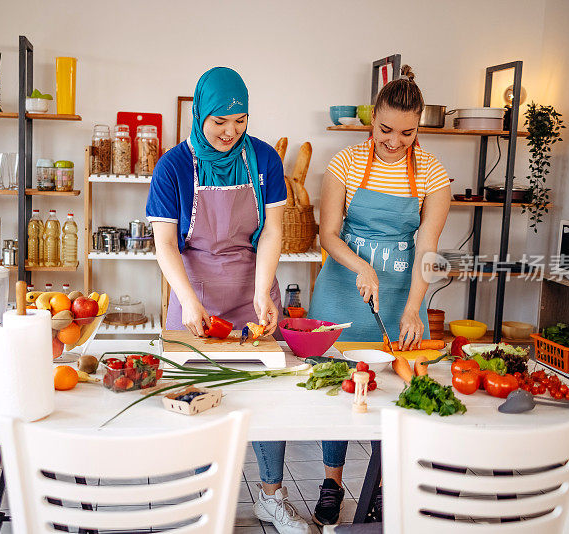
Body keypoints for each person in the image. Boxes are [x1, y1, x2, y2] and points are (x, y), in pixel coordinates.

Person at [146, 67, 310, 533]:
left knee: (267, 398)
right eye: (220, 120)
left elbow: (273, 231)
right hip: (193, 291)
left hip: (251, 287)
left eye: (239, 120)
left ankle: (271, 497)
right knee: (198, 399)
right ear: (201, 114)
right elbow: (165, 245)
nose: (230, 131)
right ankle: (201, 501)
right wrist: (190, 300)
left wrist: (262, 289)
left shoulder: (262, 160)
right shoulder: (173, 166)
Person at [306, 65, 451, 525]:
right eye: (386, 129)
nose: (394, 140)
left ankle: (385, 484)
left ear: (418, 126)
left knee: (395, 394)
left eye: (407, 132)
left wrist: (413, 307)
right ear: (372, 120)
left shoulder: (431, 172)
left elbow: (427, 248)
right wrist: (362, 266)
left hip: (399, 298)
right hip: (342, 292)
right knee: (338, 391)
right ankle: (332, 481)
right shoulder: (344, 162)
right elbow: (328, 235)